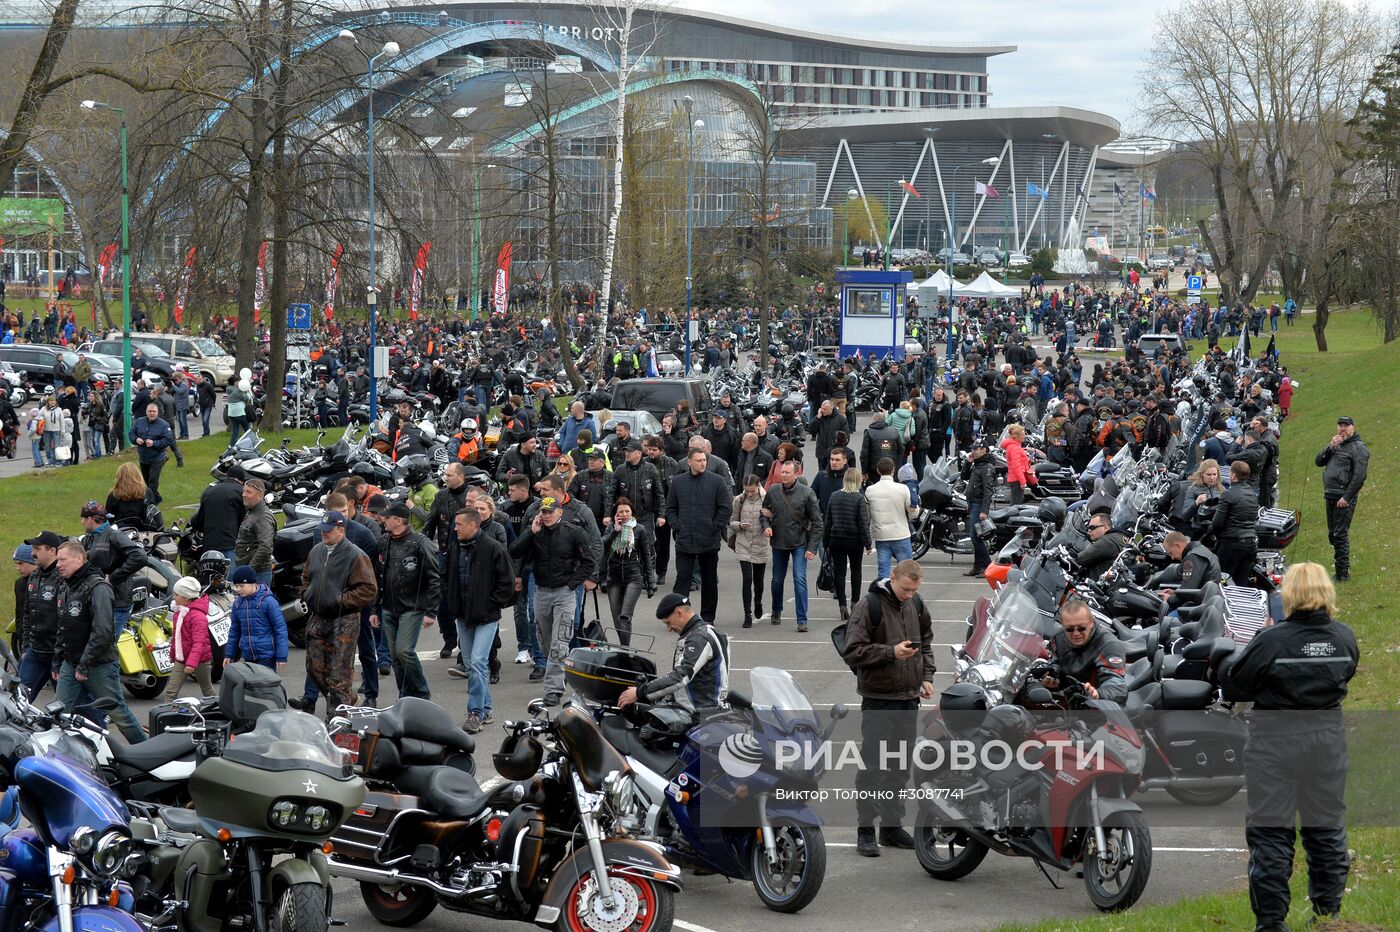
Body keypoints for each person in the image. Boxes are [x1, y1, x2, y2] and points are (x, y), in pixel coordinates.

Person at [1226, 563, 1358, 931]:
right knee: (1326, 828)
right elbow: (1346, 674)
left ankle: (1271, 923)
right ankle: (1328, 916)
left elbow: (1238, 683)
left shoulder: (1271, 641)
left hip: (1275, 743)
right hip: (1326, 740)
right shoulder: (1343, 638)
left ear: (1290, 595)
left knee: (1271, 833)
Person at [841, 559, 935, 857]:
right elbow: (853, 651)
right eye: (906, 589)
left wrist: (927, 676)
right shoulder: (869, 605)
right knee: (873, 766)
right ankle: (865, 829)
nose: (909, 594)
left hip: (909, 698)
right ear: (892, 577)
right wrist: (891, 653)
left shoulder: (916, 604)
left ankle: (892, 827)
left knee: (898, 766)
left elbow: (927, 642)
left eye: (914, 590)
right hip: (879, 698)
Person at [50, 541, 146, 744]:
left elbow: (103, 631)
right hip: (70, 663)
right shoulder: (67, 586)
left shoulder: (98, 587)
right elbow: (63, 627)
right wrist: (58, 660)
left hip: (99, 665)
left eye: (62, 559)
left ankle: (148, 753)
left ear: (79, 558)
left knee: (118, 712)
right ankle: (54, 755)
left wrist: (85, 665)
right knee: (58, 712)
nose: (58, 564)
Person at [510, 496, 596, 707]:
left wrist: (573, 584)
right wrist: (531, 531)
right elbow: (514, 551)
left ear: (560, 512)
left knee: (560, 642)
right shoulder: (535, 532)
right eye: (544, 512)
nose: (547, 515)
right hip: (541, 591)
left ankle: (553, 690)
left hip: (564, 593)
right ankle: (563, 669)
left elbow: (589, 561)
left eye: (551, 511)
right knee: (545, 642)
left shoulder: (574, 531)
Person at [299, 510, 379, 718]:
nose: (324, 534)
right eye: (322, 530)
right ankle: (346, 698)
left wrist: (340, 601)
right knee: (314, 667)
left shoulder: (356, 555)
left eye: (329, 530)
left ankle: (337, 719)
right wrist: (307, 593)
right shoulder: (316, 551)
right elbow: (306, 577)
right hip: (318, 616)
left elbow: (368, 589)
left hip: (344, 619)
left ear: (341, 530)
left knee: (339, 672)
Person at [444, 507, 515, 733]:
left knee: (476, 663)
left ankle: (474, 713)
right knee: (475, 665)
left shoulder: (493, 548)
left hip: (486, 617)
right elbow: (446, 577)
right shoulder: (455, 548)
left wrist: (491, 605)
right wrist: (452, 602)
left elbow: (507, 582)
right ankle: (486, 708)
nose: (455, 528)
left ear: (473, 525)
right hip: (463, 616)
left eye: (459, 524)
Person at [617, 593, 729, 714]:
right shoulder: (703, 631)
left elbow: (680, 677)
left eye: (668, 622)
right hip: (705, 708)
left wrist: (639, 692)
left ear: (678, 612)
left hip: (700, 713)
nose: (669, 629)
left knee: (648, 729)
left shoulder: (699, 638)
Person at [374, 502, 440, 700]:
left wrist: (431, 611)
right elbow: (379, 577)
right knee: (395, 657)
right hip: (388, 607)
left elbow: (434, 576)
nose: (383, 520)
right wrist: (374, 610)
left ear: (399, 520)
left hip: (412, 607)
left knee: (404, 651)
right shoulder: (385, 541)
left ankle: (421, 691)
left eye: (387, 517)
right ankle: (404, 696)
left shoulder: (421, 542)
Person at [665, 448, 732, 626]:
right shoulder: (678, 482)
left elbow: (726, 508)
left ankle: (708, 618)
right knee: (682, 580)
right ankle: (679, 616)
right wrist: (677, 526)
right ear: (689, 462)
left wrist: (714, 527)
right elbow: (670, 509)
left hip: (708, 540)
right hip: (685, 540)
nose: (702, 463)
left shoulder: (716, 481)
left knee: (709, 581)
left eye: (704, 460)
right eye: (698, 460)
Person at [762, 460, 821, 633]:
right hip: (779, 543)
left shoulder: (807, 493)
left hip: (800, 543)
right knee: (777, 580)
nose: (784, 475)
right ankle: (776, 609)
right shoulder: (773, 491)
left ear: (797, 473)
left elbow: (818, 523)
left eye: (788, 472)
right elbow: (764, 513)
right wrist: (766, 525)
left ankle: (802, 619)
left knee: (799, 579)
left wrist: (812, 548)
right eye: (783, 472)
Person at [1315, 416, 1369, 582]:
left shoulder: (1358, 447)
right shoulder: (1336, 445)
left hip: (1343, 498)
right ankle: (1339, 570)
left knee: (1340, 534)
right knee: (1333, 534)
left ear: (1353, 427)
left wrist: (1347, 497)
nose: (1342, 428)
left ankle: (1343, 574)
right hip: (1330, 495)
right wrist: (1330, 447)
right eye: (1340, 425)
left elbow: (1360, 476)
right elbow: (1318, 461)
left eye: (1346, 426)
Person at [80, 500, 146, 637]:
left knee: (106, 648)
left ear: (90, 519)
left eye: (83, 518)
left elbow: (139, 556)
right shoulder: (89, 539)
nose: (81, 522)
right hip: (98, 600)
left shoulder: (114, 536)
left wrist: (113, 577)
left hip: (117, 603)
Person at [1040, 599, 1127, 701]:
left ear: (1092, 622)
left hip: (1095, 705)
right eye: (1069, 629)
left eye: (1081, 628)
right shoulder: (1058, 637)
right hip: (1068, 697)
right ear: (1063, 625)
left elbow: (1117, 686)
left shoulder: (1109, 645)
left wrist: (1098, 694)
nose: (1076, 633)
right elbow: (1055, 662)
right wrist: (1054, 676)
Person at [599, 498, 657, 646]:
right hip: (614, 578)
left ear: (632, 513)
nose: (624, 514)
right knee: (616, 617)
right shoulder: (612, 528)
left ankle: (625, 650)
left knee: (625, 616)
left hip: (633, 577)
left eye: (627, 511)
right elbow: (602, 547)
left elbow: (646, 556)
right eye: (621, 512)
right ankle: (624, 646)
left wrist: (651, 581)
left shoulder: (640, 529)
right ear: (615, 514)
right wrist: (614, 532)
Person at [823, 467, 872, 621]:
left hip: (836, 538)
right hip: (854, 540)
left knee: (839, 572)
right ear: (858, 481)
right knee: (856, 571)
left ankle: (842, 605)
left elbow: (828, 521)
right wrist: (868, 544)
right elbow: (863, 523)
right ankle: (855, 603)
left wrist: (825, 541)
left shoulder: (835, 496)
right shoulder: (859, 498)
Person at [19, 532, 64, 701]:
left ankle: (99, 723)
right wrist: (25, 647)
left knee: (68, 706)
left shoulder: (63, 577)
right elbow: (27, 614)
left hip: (58, 655)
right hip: (35, 651)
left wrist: (61, 653)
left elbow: (67, 620)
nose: (32, 553)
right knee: (17, 700)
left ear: (52, 551)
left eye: (37, 549)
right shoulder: (35, 576)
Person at [225, 565, 288, 670]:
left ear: (253, 583)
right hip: (248, 655)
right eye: (236, 586)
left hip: (267, 656)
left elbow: (280, 629)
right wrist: (229, 654)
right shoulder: (237, 604)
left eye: (241, 586)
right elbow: (234, 632)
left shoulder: (269, 602)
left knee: (266, 685)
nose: (238, 589)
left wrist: (281, 656)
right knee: (252, 685)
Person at [162, 576, 215, 702]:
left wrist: (192, 663)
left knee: (207, 691)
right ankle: (164, 718)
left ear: (186, 597)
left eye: (176, 594)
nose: (173, 597)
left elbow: (199, 643)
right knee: (170, 692)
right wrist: (173, 654)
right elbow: (177, 636)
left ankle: (221, 712)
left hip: (200, 660)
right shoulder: (179, 611)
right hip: (182, 659)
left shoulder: (197, 616)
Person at [730, 474, 770, 628]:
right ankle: (747, 613)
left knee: (758, 581)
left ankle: (758, 601)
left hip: (760, 543)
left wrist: (770, 517)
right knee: (747, 579)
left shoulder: (767, 498)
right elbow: (732, 521)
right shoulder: (739, 500)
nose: (750, 494)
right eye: (747, 491)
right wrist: (739, 525)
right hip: (743, 543)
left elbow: (774, 518)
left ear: (758, 485)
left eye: (752, 491)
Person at [865, 457, 916, 580]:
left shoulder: (870, 491)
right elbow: (912, 512)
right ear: (893, 470)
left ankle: (884, 596)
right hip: (901, 534)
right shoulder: (903, 489)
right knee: (906, 571)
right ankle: (905, 597)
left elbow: (867, 516)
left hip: (881, 535)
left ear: (878, 471)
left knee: (883, 571)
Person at [1211, 460, 1260, 586]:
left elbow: (1217, 523)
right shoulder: (1252, 494)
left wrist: (1210, 532)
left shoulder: (1228, 494)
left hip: (1232, 543)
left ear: (1233, 475)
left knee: (1222, 581)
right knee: (1241, 583)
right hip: (1250, 543)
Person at [191, 473, 246, 565]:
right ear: (241, 480)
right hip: (230, 544)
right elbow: (246, 521)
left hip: (209, 545)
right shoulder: (242, 492)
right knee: (229, 578)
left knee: (210, 576)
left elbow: (197, 521)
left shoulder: (209, 491)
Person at [1159, 531, 1221, 608]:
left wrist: (1169, 599)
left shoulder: (1192, 558)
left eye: (1171, 553)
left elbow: (1187, 591)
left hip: (1198, 607)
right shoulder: (1199, 550)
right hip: (1206, 601)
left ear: (1177, 545)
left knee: (1165, 616)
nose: (1172, 557)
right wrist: (1175, 592)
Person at [129, 402, 174, 504]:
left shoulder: (163, 425)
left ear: (157, 412)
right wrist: (136, 440)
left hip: (157, 457)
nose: (152, 413)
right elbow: (131, 432)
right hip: (143, 457)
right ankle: (157, 498)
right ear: (146, 412)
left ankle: (151, 503)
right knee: (145, 481)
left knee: (153, 481)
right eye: (150, 411)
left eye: (154, 411)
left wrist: (154, 443)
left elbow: (168, 439)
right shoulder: (139, 421)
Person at [235, 478, 276, 587]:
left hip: (257, 574)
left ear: (260, 495)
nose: (244, 495)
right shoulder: (252, 511)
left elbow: (266, 547)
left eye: (248, 492)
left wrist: (249, 569)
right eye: (243, 491)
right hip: (249, 571)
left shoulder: (263, 517)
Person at [1077, 513, 1128, 579]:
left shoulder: (1108, 541)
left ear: (1105, 527)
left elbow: (1081, 559)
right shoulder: (1120, 537)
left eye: (1092, 527)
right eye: (1088, 528)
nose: (1089, 530)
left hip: (1098, 586)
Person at [104, 462, 150, 527]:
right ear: (138, 476)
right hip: (143, 529)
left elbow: (109, 518)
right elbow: (151, 513)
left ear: (119, 477)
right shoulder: (146, 492)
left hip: (121, 530)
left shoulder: (114, 495)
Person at [1000, 423, 1037, 505]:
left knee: (1015, 502)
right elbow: (1016, 466)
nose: (1024, 437)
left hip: (1015, 478)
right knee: (1016, 503)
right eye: (1022, 435)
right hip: (1016, 479)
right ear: (1016, 436)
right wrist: (1022, 481)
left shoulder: (1012, 446)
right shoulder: (1015, 448)